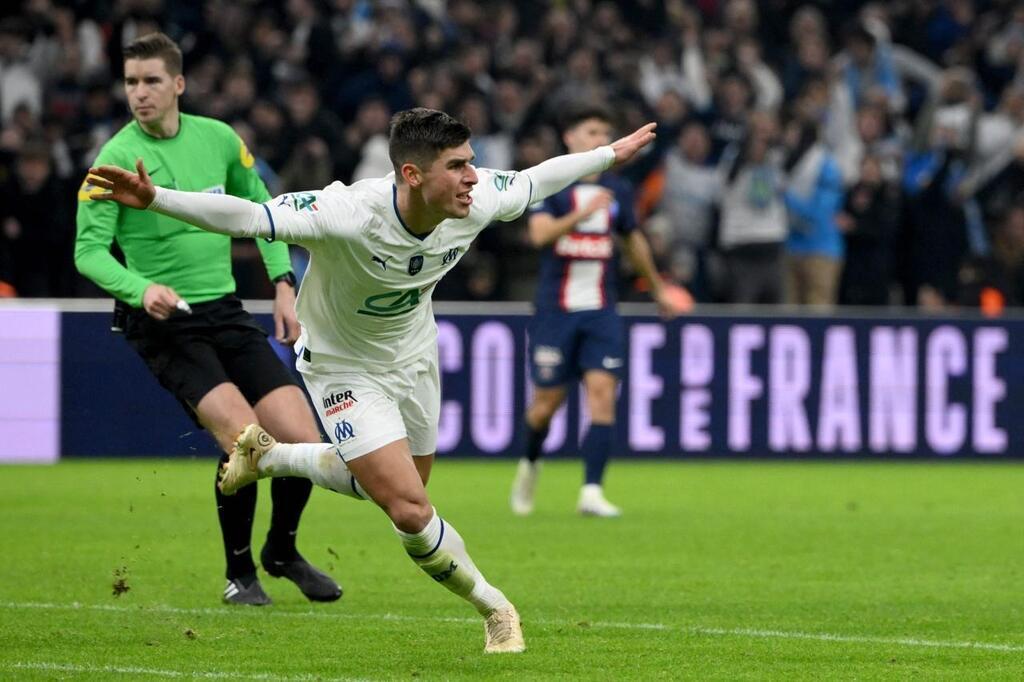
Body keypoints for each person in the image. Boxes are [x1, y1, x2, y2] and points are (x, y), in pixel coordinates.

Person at [85, 107, 657, 654]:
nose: (472, 177)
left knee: (400, 488)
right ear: (411, 174)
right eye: (457, 166)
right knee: (409, 511)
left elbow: (537, 180)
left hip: (415, 359)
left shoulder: (478, 199)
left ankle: (271, 457)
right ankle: (495, 608)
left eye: (471, 161)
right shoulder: (347, 212)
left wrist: (609, 154)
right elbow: (247, 216)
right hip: (342, 368)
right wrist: (156, 199)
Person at [74, 32, 340, 606]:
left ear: (178, 84)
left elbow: (262, 214)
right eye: (129, 82)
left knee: (304, 441)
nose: (138, 93)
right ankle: (239, 574)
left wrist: (283, 284)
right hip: (162, 321)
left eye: (149, 81)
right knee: (249, 441)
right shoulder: (114, 159)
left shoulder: (219, 139)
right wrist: (141, 289)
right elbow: (88, 251)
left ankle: (282, 551)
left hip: (224, 309)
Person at [509, 104, 686, 518]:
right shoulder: (551, 184)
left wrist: (659, 289)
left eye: (603, 132)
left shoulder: (618, 190)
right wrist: (582, 214)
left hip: (602, 311)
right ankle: (530, 464)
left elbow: (634, 241)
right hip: (556, 312)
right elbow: (539, 236)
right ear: (570, 138)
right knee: (544, 407)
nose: (597, 139)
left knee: (603, 396)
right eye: (590, 131)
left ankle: (591, 491)